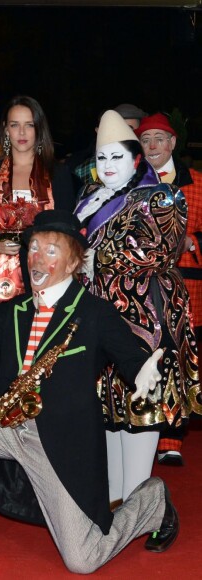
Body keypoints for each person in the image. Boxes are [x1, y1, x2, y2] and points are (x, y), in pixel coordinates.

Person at [0, 209, 179, 573]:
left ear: (73, 263)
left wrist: (143, 371)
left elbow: (130, 354)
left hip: (57, 443)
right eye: (33, 248)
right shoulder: (18, 310)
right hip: (6, 425)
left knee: (83, 561)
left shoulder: (94, 312)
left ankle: (152, 501)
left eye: (51, 251)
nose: (36, 258)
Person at [74, 110, 200, 505]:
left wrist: (94, 257)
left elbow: (160, 252)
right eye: (101, 158)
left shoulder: (162, 195)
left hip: (146, 311)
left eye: (117, 157)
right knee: (108, 402)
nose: (108, 166)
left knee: (141, 399)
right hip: (100, 309)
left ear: (135, 159)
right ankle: (114, 496)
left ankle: (138, 498)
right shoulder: (89, 198)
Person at [0, 94, 75, 407]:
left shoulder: (58, 174)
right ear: (5, 130)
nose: (22, 132)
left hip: (45, 287)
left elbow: (71, 237)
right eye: (15, 125)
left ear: (39, 129)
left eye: (29, 125)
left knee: (39, 370)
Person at [135, 112, 202, 466]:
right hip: (142, 289)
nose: (153, 146)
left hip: (187, 286)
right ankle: (147, 429)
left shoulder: (198, 184)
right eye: (146, 141)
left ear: (173, 143)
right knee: (149, 357)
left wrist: (193, 240)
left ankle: (171, 438)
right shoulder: (131, 185)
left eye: (159, 139)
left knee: (179, 358)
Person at [69, 103, 148, 190]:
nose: (120, 135)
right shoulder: (83, 170)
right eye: (115, 128)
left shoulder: (150, 167)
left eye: (128, 129)